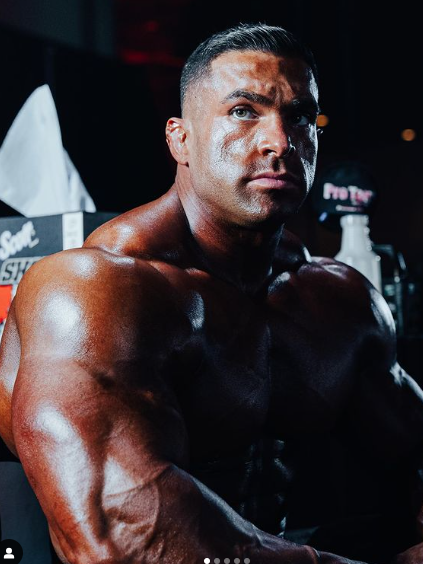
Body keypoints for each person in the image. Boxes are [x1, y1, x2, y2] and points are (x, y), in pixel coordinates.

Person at [0, 22, 422, 564]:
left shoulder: (338, 300)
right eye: (243, 111)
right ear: (180, 139)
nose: (279, 142)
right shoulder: (93, 293)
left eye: (299, 116)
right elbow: (122, 541)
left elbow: (412, 451)